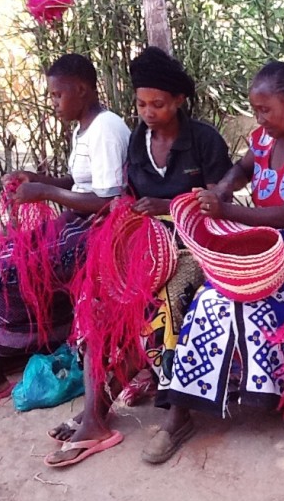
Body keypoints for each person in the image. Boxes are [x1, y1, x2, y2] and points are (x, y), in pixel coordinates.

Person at [141, 60, 284, 464]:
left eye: (266, 109)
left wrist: (224, 212)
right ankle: (179, 414)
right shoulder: (264, 140)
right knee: (209, 299)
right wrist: (220, 189)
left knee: (249, 299)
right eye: (255, 110)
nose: (259, 118)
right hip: (261, 244)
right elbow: (241, 168)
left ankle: (276, 392)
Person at [44, 47, 231, 466]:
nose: (148, 112)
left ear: (179, 100)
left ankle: (177, 413)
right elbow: (126, 198)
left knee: (172, 294)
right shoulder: (137, 140)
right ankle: (97, 411)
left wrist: (166, 208)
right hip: (148, 241)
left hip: (198, 243)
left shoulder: (204, 140)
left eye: (158, 104)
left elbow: (220, 203)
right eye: (142, 104)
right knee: (97, 293)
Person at [0, 54, 130, 409]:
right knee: (3, 256)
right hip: (80, 221)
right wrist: (36, 179)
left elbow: (110, 199)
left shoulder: (106, 129)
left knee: (7, 273)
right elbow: (77, 183)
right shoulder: (84, 128)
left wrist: (45, 193)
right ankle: (21, 346)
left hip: (103, 231)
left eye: (57, 95)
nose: (53, 103)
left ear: (82, 89)